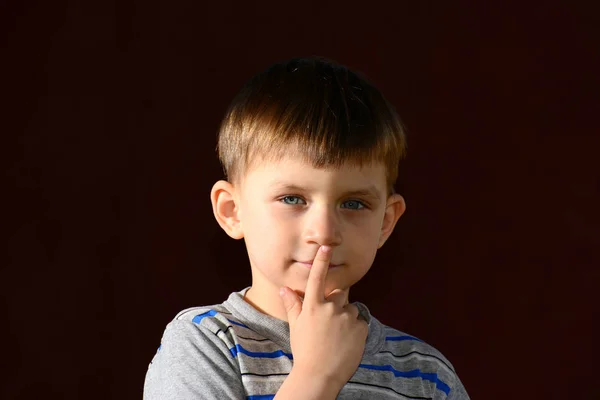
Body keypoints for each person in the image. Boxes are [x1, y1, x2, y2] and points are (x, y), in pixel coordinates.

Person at [143, 56, 470, 399]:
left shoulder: (427, 375)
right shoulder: (203, 344)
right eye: (292, 199)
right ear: (232, 211)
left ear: (386, 222)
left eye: (353, 203)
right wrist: (316, 376)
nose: (324, 231)